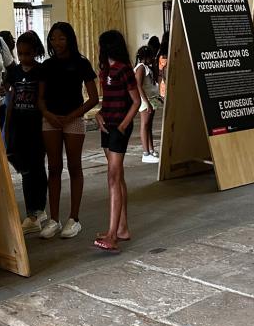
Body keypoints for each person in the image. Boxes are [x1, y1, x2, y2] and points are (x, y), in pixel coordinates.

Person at [37, 22, 99, 239]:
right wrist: (48, 114)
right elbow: (40, 98)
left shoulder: (81, 63)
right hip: (51, 120)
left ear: (70, 39)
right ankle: (54, 219)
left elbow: (93, 98)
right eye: (53, 38)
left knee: (74, 167)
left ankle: (74, 218)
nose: (57, 42)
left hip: (73, 119)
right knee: (53, 168)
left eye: (61, 38)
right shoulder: (46, 65)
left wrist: (72, 116)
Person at [94, 31, 141, 252]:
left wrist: (122, 126)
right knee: (117, 176)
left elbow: (136, 101)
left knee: (113, 177)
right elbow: (107, 101)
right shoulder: (105, 72)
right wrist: (99, 115)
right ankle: (122, 228)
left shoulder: (124, 70)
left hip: (118, 128)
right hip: (107, 125)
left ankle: (112, 234)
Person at [4, 31, 49, 234]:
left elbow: (41, 97)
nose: (23, 58)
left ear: (36, 52)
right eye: (20, 54)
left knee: (37, 167)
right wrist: (8, 124)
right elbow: (10, 99)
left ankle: (38, 210)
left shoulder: (40, 71)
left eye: (28, 54)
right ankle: (32, 211)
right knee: (25, 170)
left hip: (36, 126)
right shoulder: (14, 73)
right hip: (18, 125)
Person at [134, 46, 162, 163]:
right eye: (151, 57)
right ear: (145, 57)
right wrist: (147, 103)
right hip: (146, 100)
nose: (153, 58)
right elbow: (139, 86)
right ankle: (145, 152)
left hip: (151, 99)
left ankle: (151, 150)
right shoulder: (140, 68)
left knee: (148, 126)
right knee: (144, 125)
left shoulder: (147, 67)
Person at [158, 31, 170, 98]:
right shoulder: (172, 57)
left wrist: (159, 89)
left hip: (163, 87)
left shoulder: (161, 57)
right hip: (171, 86)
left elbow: (160, 74)